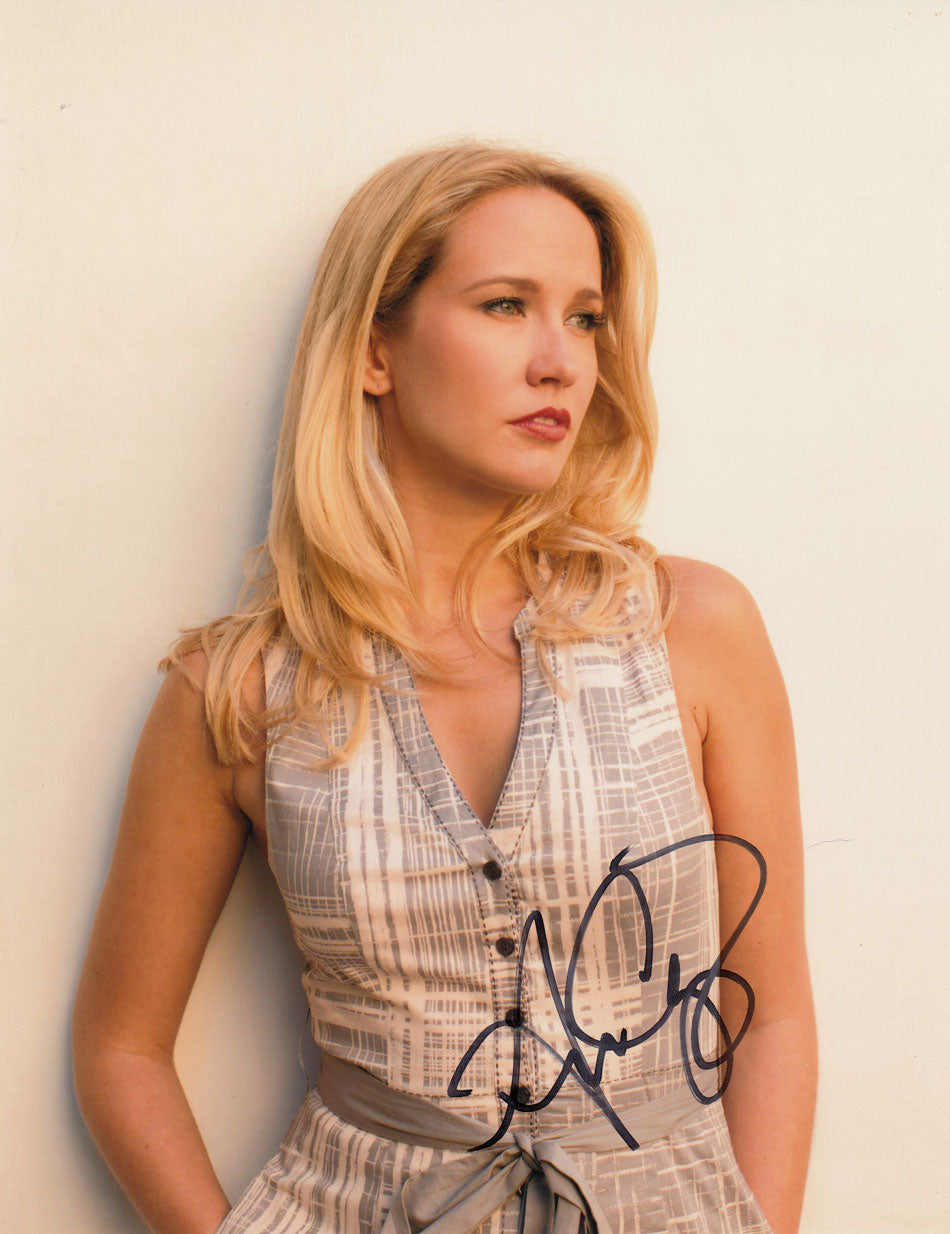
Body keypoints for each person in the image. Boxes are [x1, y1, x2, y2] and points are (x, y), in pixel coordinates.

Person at [72, 141, 817, 1234]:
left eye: (585, 318)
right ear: (375, 349)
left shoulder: (691, 630)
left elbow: (772, 1011)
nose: (561, 362)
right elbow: (121, 1048)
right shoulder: (237, 692)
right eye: (506, 305)